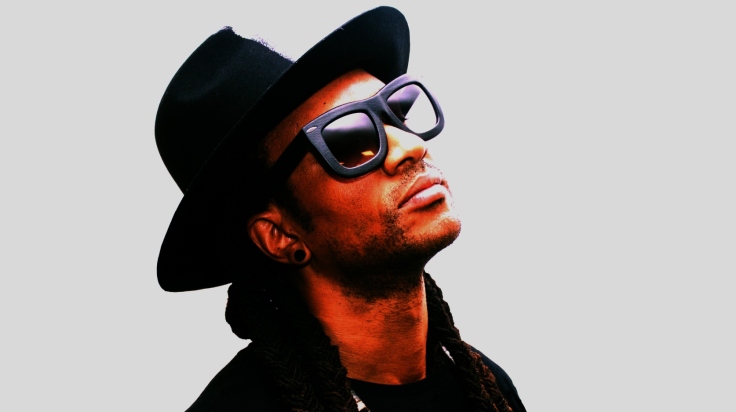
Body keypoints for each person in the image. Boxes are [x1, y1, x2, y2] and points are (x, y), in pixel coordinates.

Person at [155, 6, 526, 412]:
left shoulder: (488, 391)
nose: (411, 146)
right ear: (279, 235)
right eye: (350, 140)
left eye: (398, 111)